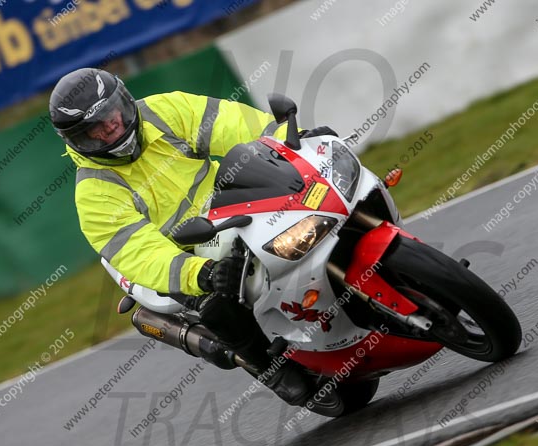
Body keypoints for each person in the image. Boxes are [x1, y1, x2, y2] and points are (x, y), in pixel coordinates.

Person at [49, 68, 333, 406]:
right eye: (97, 128)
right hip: (184, 253)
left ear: (123, 101)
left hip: (231, 208)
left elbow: (232, 122)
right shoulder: (93, 193)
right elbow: (140, 252)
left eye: (111, 113)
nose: (111, 125)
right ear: (78, 139)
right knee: (216, 304)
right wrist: (200, 274)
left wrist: (293, 142)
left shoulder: (164, 111)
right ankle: (269, 367)